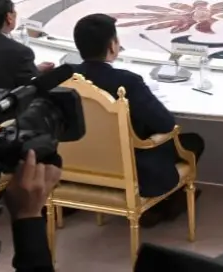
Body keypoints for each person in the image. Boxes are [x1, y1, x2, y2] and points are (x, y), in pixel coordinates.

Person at [71, 14, 205, 225]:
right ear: (112, 46)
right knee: (194, 142)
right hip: (133, 169)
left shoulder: (67, 77)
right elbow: (166, 124)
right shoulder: (127, 82)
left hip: (81, 165)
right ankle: (159, 208)